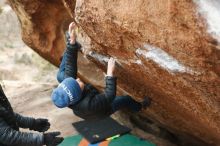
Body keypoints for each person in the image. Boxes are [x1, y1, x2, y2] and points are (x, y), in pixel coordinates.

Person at [51, 22, 151, 120]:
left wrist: (71, 42)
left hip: (84, 99)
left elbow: (69, 65)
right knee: (125, 100)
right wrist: (109, 75)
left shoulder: (66, 81)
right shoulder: (90, 105)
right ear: (78, 94)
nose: (77, 79)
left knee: (63, 75)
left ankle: (74, 46)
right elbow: (109, 96)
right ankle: (140, 107)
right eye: (77, 84)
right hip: (101, 111)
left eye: (73, 80)